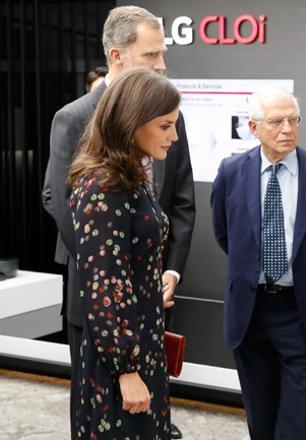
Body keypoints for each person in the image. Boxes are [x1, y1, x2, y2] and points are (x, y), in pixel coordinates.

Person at [41, 6, 194, 439]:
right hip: (105, 309)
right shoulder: (80, 130)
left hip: (142, 312)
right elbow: (62, 203)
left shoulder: (158, 119)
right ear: (117, 55)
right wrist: (114, 266)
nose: (162, 65)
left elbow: (179, 202)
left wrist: (164, 269)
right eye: (151, 56)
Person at [210, 85, 306, 439]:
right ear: (253, 127)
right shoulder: (231, 172)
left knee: (296, 420)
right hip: (251, 310)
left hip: (301, 311)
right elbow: (225, 234)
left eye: (293, 120)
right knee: (260, 418)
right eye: (276, 122)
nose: (287, 129)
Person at [68, 67, 179, 439]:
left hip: (142, 345)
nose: (174, 136)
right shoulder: (103, 185)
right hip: (120, 361)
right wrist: (126, 370)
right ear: (133, 122)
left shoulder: (130, 176)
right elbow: (104, 286)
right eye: (165, 126)